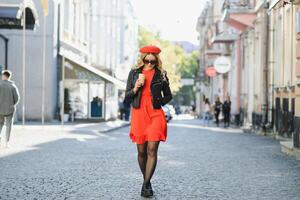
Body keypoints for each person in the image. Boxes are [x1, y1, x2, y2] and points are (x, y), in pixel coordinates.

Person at [125, 45, 172, 198]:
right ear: (143, 59)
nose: (150, 64)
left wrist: (158, 103)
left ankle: (146, 183)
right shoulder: (134, 74)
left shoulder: (161, 75)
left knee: (152, 150)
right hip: (139, 113)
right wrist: (136, 87)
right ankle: (147, 181)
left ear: (156, 60)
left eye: (153, 61)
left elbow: (169, 95)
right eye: (148, 60)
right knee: (142, 152)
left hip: (155, 115)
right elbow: (127, 96)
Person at [0, 70, 20, 148]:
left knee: (0, 124)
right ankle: (6, 143)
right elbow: (17, 98)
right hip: (10, 109)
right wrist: (12, 105)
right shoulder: (13, 86)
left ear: (5, 76)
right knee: (9, 125)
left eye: (2, 75)